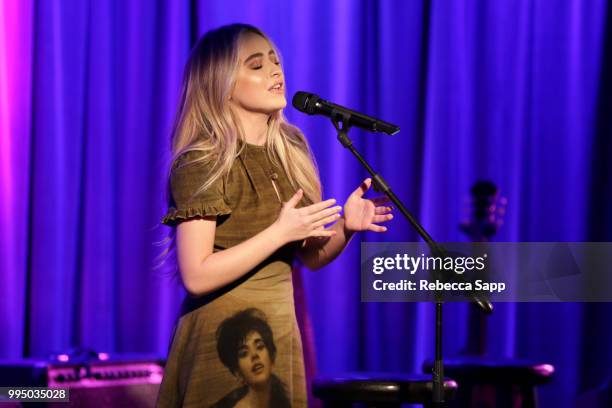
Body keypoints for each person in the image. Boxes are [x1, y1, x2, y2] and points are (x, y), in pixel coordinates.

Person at [156, 23, 393, 408]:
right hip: (222, 341)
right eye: (256, 65)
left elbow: (310, 257)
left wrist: (345, 229)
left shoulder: (291, 149)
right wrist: (280, 232)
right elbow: (197, 275)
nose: (275, 72)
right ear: (222, 83)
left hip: (278, 334)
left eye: (276, 62)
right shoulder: (202, 161)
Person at [211, 308, 290, 408]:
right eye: (244, 353)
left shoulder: (283, 399)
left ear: (272, 356)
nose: (254, 355)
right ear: (237, 371)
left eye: (260, 347)